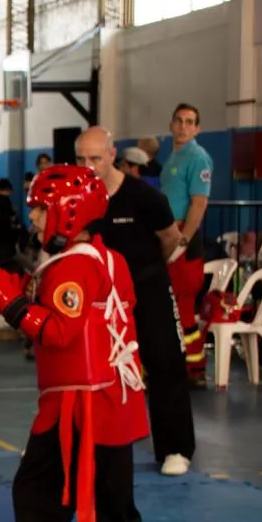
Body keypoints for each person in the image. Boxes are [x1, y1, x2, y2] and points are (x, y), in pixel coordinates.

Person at [0, 164, 172, 522]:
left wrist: (10, 303)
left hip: (76, 407)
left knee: (38, 492)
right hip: (114, 399)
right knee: (112, 498)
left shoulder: (72, 265)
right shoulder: (109, 258)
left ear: (68, 211)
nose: (34, 218)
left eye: (41, 210)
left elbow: (61, 332)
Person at [76, 127, 195, 476]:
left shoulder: (144, 197)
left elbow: (171, 239)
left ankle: (176, 448)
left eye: (95, 158)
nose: (88, 166)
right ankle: (89, 443)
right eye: (81, 159)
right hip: (103, 297)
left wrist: (144, 272)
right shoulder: (79, 198)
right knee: (92, 370)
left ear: (113, 155)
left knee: (165, 362)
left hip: (148, 287)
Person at [160, 103, 214, 387]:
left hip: (183, 238)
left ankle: (195, 368)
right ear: (171, 125)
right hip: (169, 234)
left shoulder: (198, 157)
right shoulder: (173, 157)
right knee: (171, 307)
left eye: (189, 122)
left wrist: (183, 239)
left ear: (197, 129)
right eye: (179, 120)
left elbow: (199, 203)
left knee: (183, 306)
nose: (183, 126)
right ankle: (179, 364)